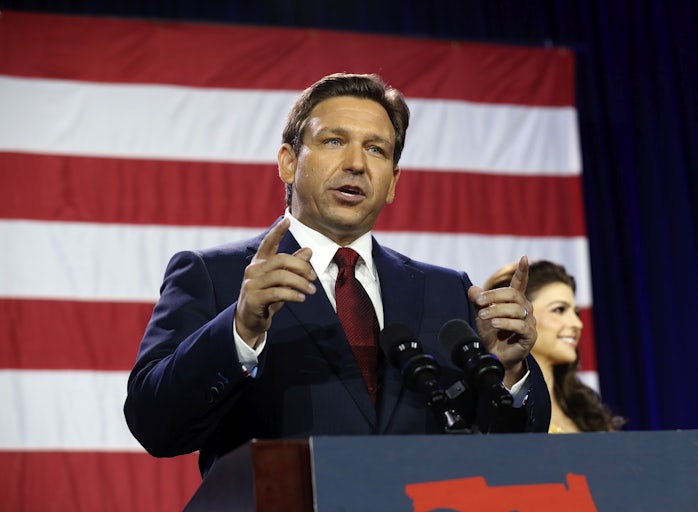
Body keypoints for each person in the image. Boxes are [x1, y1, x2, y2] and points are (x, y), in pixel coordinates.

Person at [124, 73, 551, 476]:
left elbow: (507, 457)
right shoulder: (216, 275)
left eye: (376, 149)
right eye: (334, 141)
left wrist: (507, 372)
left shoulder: (448, 291)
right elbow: (155, 426)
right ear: (288, 162)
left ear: (392, 182)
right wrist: (240, 329)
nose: (356, 164)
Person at [485, 260, 625, 433]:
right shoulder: (488, 407)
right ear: (515, 316)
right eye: (559, 310)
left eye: (576, 312)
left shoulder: (587, 411)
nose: (578, 324)